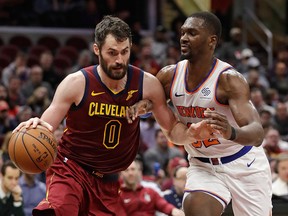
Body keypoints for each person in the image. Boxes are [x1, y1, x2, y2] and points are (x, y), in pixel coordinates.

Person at [13, 15, 215, 216]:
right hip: (71, 169)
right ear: (96, 50)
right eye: (112, 53)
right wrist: (35, 125)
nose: (119, 60)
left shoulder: (147, 84)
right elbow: (45, 126)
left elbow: (171, 129)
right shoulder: (76, 83)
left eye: (124, 52)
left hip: (109, 182)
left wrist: (191, 134)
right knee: (58, 210)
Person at [128, 11, 272, 216]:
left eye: (192, 33)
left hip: (243, 164)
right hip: (202, 165)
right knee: (196, 211)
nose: (184, 38)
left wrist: (230, 132)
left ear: (211, 40)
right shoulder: (169, 75)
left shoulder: (229, 80)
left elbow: (257, 134)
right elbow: (151, 105)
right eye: (183, 32)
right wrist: (141, 107)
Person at [119, 159, 184, 216]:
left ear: (139, 172)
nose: (130, 173)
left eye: (133, 169)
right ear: (121, 174)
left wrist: (173, 210)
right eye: (126, 170)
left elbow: (163, 205)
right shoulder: (118, 196)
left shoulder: (150, 191)